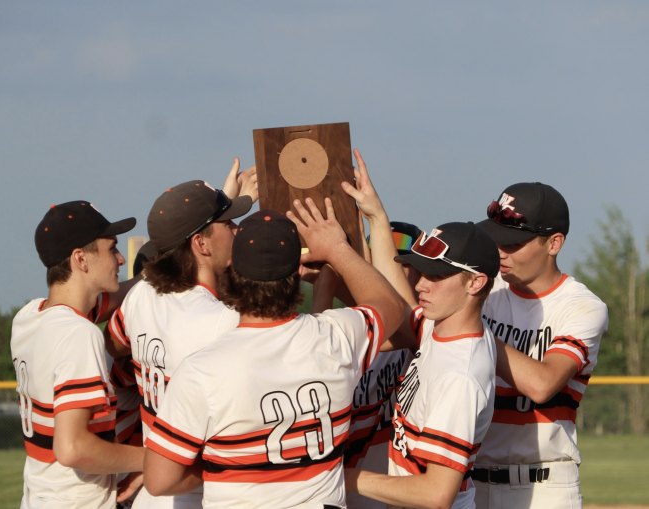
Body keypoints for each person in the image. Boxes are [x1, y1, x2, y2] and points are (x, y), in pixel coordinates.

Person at [143, 199, 406, 508]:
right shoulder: (336, 338)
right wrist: (337, 249)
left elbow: (159, 481)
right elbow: (390, 305)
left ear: (234, 272)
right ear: (296, 272)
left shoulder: (201, 371)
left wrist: (225, 465)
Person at [341, 150, 498, 508]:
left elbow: (436, 493)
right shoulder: (442, 328)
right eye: (421, 271)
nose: (422, 284)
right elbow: (401, 298)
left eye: (438, 275)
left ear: (475, 283)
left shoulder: (459, 376)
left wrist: (346, 477)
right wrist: (377, 218)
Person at [105, 171, 256, 508]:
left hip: (152, 490)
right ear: (201, 244)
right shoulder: (224, 321)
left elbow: (111, 347)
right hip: (200, 491)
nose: (237, 230)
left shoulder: (140, 296)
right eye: (228, 224)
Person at [473, 182, 609, 509]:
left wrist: (468, 329)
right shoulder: (483, 290)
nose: (500, 250)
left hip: (543, 489)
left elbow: (542, 383)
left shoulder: (582, 306)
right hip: (470, 485)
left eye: (513, 242)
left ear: (554, 243)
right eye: (496, 238)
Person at [11, 200, 145, 508]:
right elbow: (73, 448)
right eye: (111, 248)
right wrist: (155, 460)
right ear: (81, 259)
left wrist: (160, 269)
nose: (121, 258)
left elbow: (119, 295)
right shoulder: (78, 334)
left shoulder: (30, 316)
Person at [343, 221, 421, 509]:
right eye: (376, 262)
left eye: (401, 265)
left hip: (403, 492)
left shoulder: (430, 331)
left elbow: (405, 328)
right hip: (350, 495)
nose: (388, 274)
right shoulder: (345, 329)